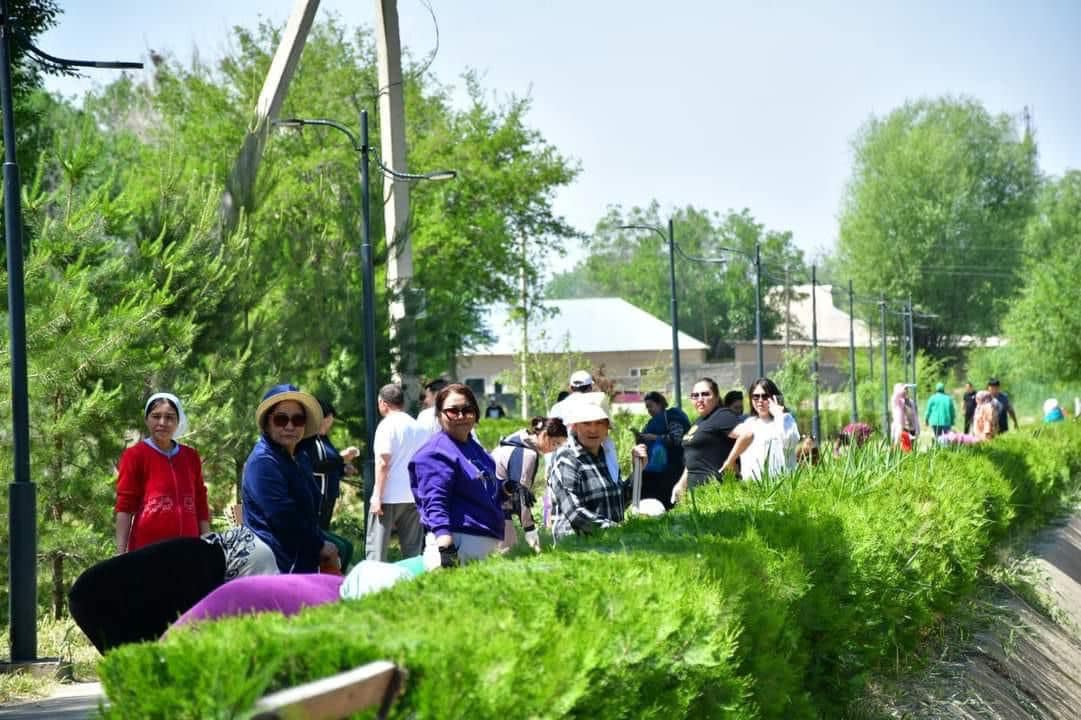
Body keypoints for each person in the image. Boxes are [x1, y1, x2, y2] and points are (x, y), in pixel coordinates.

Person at [242, 384, 339, 574]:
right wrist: (320, 545)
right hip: (274, 561)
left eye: (298, 419)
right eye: (281, 419)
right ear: (267, 423)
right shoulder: (263, 461)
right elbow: (283, 517)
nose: (289, 426)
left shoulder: (300, 457)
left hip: (300, 554)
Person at [409, 383, 506, 569]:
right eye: (453, 411)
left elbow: (482, 489)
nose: (461, 416)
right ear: (439, 415)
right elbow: (435, 502)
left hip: (483, 546)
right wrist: (445, 546)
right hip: (456, 546)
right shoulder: (437, 452)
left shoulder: (473, 448)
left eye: (467, 410)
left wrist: (506, 489)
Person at [114, 392, 210, 554]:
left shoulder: (190, 456)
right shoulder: (135, 456)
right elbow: (125, 506)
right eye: (156, 416)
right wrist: (120, 552)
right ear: (147, 419)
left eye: (170, 417)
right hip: (148, 549)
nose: (162, 422)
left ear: (178, 422)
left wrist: (207, 539)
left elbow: (200, 501)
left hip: (189, 548)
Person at [549, 402, 639, 543]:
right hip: (576, 547)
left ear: (607, 428)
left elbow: (618, 501)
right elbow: (574, 512)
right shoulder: (567, 459)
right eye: (586, 423)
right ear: (575, 426)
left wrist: (638, 469)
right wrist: (614, 529)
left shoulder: (607, 456)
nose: (593, 429)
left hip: (610, 544)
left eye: (599, 423)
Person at [367, 383, 427, 562]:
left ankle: (374, 579)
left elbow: (383, 463)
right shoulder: (417, 426)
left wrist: (377, 496)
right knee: (413, 551)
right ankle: (414, 578)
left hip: (388, 495)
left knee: (377, 550)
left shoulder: (386, 426)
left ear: (383, 403)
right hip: (413, 494)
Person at [491, 416, 568, 552]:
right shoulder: (527, 454)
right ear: (544, 435)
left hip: (488, 503)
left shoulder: (515, 441)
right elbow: (520, 494)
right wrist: (529, 528)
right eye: (555, 443)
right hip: (496, 508)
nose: (555, 449)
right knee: (509, 553)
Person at [670, 378, 741, 504]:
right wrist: (681, 484)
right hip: (695, 495)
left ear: (717, 397)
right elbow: (693, 459)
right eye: (695, 395)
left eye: (705, 394)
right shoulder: (699, 422)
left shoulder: (722, 415)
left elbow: (747, 435)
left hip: (717, 494)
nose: (700, 399)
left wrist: (731, 461)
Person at [297, 398, 359, 531]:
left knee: (324, 532)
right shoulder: (306, 440)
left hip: (329, 497)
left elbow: (331, 464)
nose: (329, 425)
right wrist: (341, 459)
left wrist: (343, 469)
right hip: (314, 497)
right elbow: (315, 466)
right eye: (329, 421)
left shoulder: (324, 439)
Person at [724, 378, 801, 481]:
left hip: (781, 484)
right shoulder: (749, 423)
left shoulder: (785, 419)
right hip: (752, 485)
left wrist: (778, 414)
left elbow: (790, 443)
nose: (760, 400)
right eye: (756, 397)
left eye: (765, 396)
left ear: (773, 398)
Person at [637, 391, 691, 509]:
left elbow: (676, 439)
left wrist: (654, 437)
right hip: (655, 470)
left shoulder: (673, 416)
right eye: (647, 407)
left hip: (673, 467)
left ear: (660, 404)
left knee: (669, 500)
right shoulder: (652, 422)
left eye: (650, 406)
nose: (649, 410)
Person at [890, 383, 920, 451]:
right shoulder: (896, 401)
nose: (905, 391)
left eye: (906, 390)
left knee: (910, 448)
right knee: (899, 447)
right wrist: (903, 387)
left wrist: (917, 428)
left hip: (911, 428)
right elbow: (896, 395)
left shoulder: (910, 402)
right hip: (899, 428)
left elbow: (915, 416)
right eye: (904, 390)